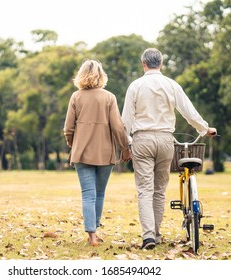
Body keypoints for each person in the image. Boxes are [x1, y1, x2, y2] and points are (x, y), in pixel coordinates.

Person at [121, 48, 217, 250]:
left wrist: (125, 144)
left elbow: (126, 120)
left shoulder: (135, 86)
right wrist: (204, 128)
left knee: (145, 190)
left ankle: (149, 236)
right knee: (159, 190)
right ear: (161, 64)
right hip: (166, 140)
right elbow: (189, 113)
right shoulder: (171, 85)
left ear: (143, 64)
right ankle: (155, 234)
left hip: (142, 139)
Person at [64, 59, 131, 247]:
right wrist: (125, 148)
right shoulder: (109, 97)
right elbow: (118, 127)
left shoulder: (75, 97)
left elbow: (68, 128)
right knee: (99, 193)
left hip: (82, 153)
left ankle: (91, 234)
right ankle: (95, 230)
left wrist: (72, 143)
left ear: (81, 75)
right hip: (105, 153)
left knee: (88, 194)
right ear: (101, 75)